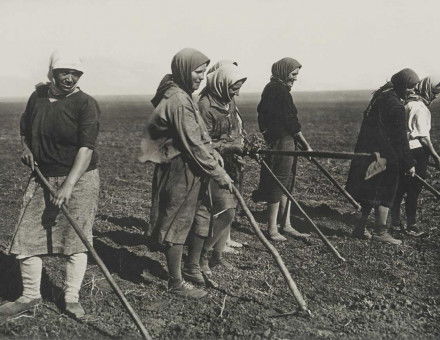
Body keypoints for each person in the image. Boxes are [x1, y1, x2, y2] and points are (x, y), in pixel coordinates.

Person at [0, 50, 100, 321]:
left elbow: (86, 149)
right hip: (42, 176)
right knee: (25, 237)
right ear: (52, 73)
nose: (69, 78)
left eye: (75, 73)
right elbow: (25, 128)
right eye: (64, 72)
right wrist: (26, 148)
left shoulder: (85, 104)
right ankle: (30, 295)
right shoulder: (38, 97)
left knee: (76, 240)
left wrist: (68, 186)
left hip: (79, 180)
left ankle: (71, 298)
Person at [139, 48, 233, 298]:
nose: (201, 77)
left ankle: (190, 269)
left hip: (190, 166)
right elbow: (191, 143)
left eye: (204, 72)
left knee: (193, 216)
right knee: (177, 221)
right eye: (198, 71)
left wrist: (213, 152)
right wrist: (218, 173)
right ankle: (175, 282)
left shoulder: (181, 94)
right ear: (183, 69)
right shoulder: (179, 100)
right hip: (180, 169)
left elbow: (198, 136)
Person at [182, 63, 247, 283]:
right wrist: (230, 146)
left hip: (230, 162)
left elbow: (235, 130)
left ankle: (217, 256)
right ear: (221, 83)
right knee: (223, 211)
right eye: (233, 88)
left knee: (230, 209)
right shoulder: (205, 105)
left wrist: (239, 143)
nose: (236, 92)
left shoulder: (227, 101)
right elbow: (202, 144)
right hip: (210, 166)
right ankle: (202, 256)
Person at [346, 68, 419, 245]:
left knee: (370, 189)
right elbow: (400, 139)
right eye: (410, 87)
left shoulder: (382, 97)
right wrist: (409, 163)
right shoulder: (395, 105)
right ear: (402, 85)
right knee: (387, 192)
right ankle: (380, 231)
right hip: (386, 156)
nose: (413, 91)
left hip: (372, 152)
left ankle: (360, 227)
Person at [253, 57, 312, 241]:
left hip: (283, 140)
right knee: (279, 182)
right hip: (282, 141)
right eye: (293, 74)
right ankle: (272, 228)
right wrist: (306, 145)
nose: (295, 78)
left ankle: (285, 224)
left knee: (286, 181)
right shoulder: (278, 91)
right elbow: (291, 122)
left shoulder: (274, 89)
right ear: (283, 72)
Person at [390, 76, 440, 236]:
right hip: (416, 151)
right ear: (426, 89)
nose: (435, 96)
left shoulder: (407, 103)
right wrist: (435, 156)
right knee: (413, 190)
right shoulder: (420, 108)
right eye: (434, 92)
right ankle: (412, 225)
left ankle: (395, 223)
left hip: (402, 150)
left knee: (400, 189)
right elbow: (423, 137)